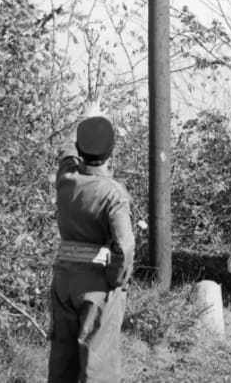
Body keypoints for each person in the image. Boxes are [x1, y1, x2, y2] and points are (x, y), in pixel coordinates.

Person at [48, 103, 135, 383]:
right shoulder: (112, 193)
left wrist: (88, 120)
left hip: (63, 279)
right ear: (111, 154)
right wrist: (116, 280)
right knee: (98, 364)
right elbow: (125, 246)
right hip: (97, 284)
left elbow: (66, 150)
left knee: (63, 357)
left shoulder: (66, 179)